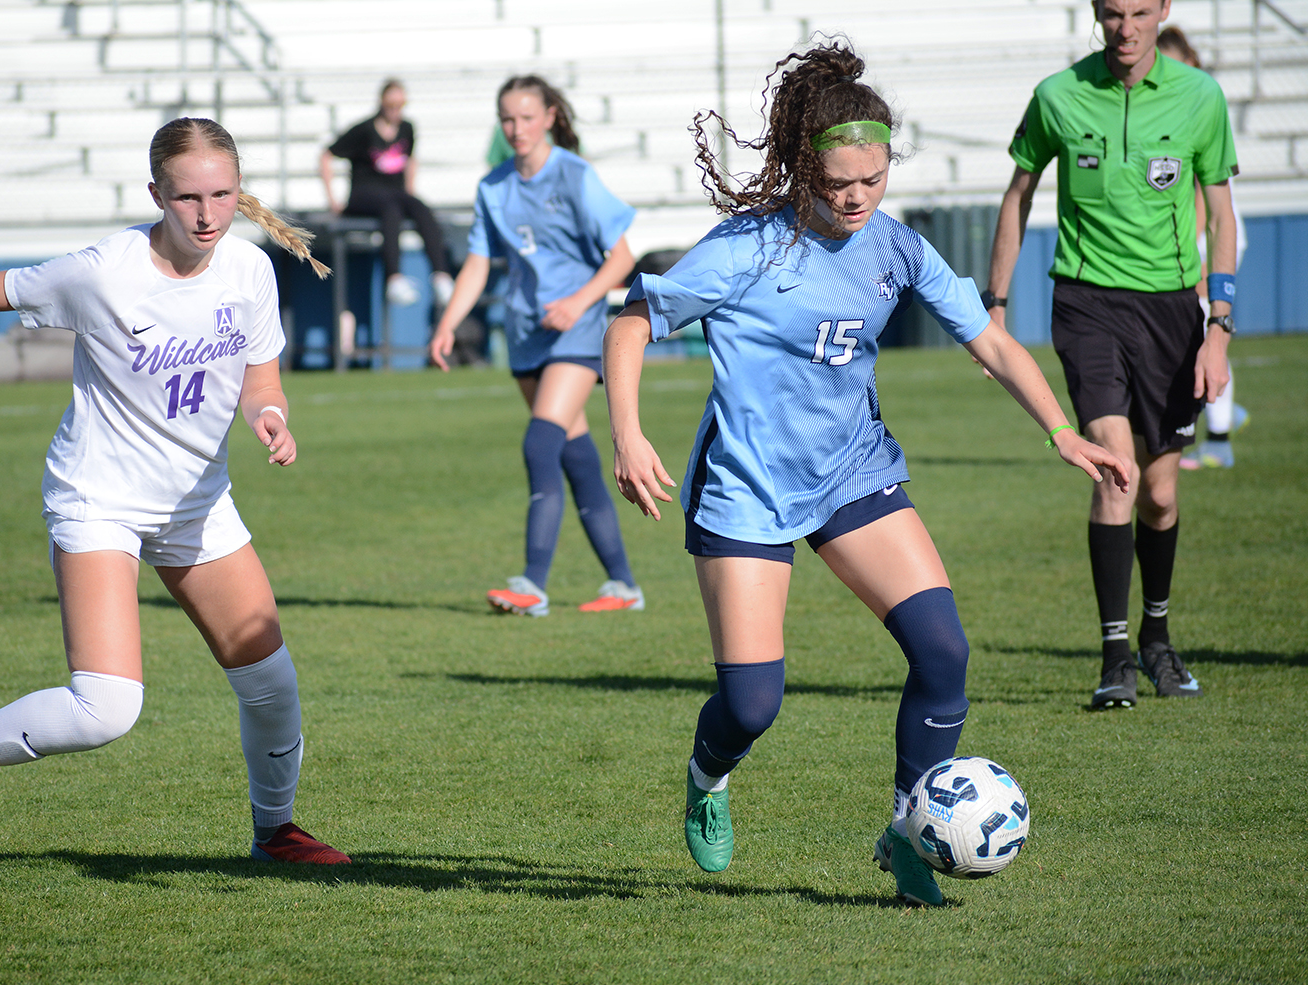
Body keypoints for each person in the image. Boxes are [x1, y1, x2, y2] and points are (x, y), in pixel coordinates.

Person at [603, 43, 1128, 904]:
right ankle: (707, 776)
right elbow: (631, 321)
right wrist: (628, 433)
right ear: (803, 167)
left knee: (943, 653)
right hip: (749, 488)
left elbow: (990, 341)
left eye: (873, 180)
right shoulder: (747, 248)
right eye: (839, 183)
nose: (856, 198)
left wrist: (1062, 431)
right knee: (752, 704)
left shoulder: (897, 247)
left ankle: (907, 834)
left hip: (853, 472)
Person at [0, 117, 350, 865]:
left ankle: (274, 832)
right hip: (99, 498)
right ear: (155, 193)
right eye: (187, 197)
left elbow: (260, 379)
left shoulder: (249, 268)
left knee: (271, 682)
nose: (207, 214)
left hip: (194, 502)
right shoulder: (104, 271)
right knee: (106, 708)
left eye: (223, 195)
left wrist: (270, 418)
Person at [985, 0, 1237, 709]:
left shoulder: (1201, 97)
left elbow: (1221, 214)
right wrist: (994, 304)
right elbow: (1018, 195)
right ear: (1097, 13)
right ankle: (1115, 657)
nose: (1125, 28)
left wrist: (1219, 326)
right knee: (1116, 474)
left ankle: (1157, 639)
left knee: (1159, 493)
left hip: (1171, 312)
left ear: (1164, 10)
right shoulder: (1057, 95)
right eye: (1112, 13)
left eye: (1139, 12)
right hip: (1086, 304)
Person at [429, 74, 644, 617]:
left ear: (549, 117)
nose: (516, 128)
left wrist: (578, 301)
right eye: (507, 118)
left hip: (575, 331)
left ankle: (532, 584)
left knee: (539, 444)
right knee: (576, 457)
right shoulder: (493, 186)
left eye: (527, 117)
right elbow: (478, 263)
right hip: (526, 334)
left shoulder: (574, 175)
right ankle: (623, 586)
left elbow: (622, 259)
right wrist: (448, 322)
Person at [1158, 26, 1250, 470]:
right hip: (1201, 234)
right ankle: (1225, 414)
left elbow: (1200, 193)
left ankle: (1218, 438)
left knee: (1206, 335)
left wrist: (1191, 254)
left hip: (1208, 236)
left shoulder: (1193, 103)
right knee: (1198, 333)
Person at [321, 79, 453, 308]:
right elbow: (327, 155)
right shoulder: (364, 130)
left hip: (394, 194)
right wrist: (332, 199)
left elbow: (410, 160)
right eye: (391, 105)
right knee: (391, 208)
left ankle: (441, 275)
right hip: (364, 194)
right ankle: (394, 278)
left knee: (419, 206)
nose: (395, 111)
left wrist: (409, 192)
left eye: (400, 106)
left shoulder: (407, 128)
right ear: (381, 103)